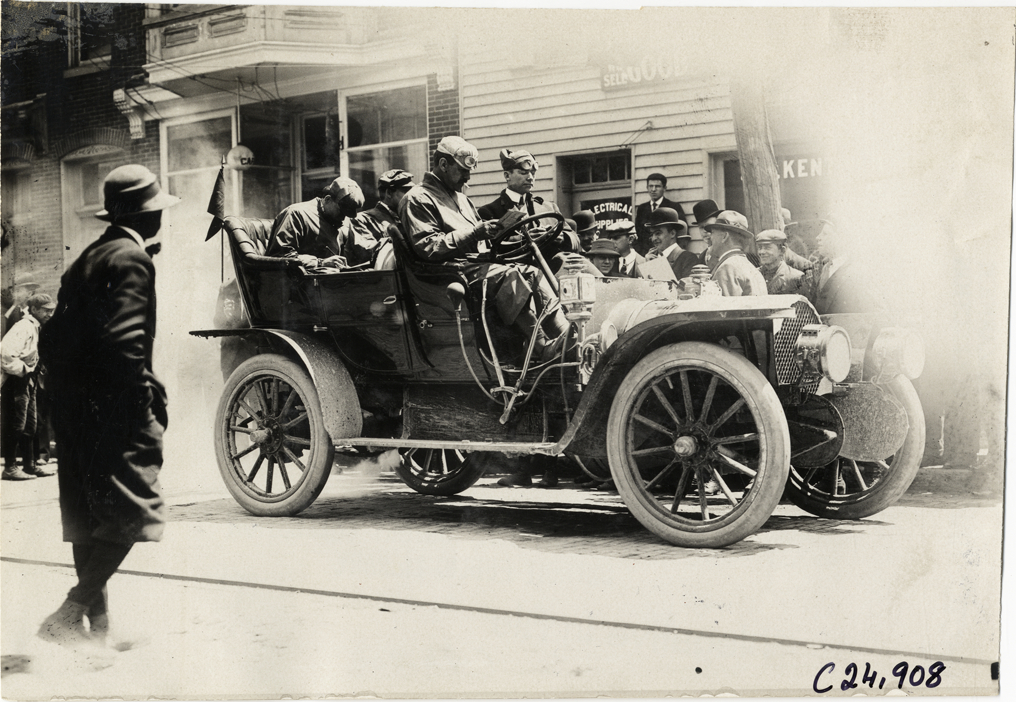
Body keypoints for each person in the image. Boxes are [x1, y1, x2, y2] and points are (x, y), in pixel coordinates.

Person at [37, 164, 179, 646]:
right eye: (156, 210)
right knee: (135, 511)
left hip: (74, 409)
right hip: (115, 408)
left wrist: (70, 398)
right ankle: (71, 610)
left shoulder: (89, 257)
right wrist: (145, 400)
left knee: (87, 518)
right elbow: (126, 343)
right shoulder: (132, 260)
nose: (161, 218)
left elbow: (53, 336)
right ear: (145, 216)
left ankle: (96, 633)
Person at [400, 136, 571, 364]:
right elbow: (428, 247)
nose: (468, 177)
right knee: (508, 275)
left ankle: (566, 335)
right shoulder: (417, 198)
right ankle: (540, 345)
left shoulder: (461, 199)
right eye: (462, 170)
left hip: (472, 267)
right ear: (443, 165)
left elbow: (481, 242)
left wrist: (505, 238)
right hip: (446, 273)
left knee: (530, 272)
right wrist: (476, 232)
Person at [1, 293, 57, 480]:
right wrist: (25, 370)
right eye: (46, 311)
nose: (50, 314)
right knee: (17, 424)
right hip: (16, 381)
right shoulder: (23, 326)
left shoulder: (36, 327)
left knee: (30, 425)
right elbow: (6, 355)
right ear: (33, 310)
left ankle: (29, 466)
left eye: (52, 311)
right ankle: (9, 468)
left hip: (28, 380)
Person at [267, 176, 375, 270]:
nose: (343, 217)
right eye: (341, 212)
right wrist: (320, 263)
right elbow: (280, 256)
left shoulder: (340, 221)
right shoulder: (297, 214)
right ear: (328, 199)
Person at [702, 210, 767, 296]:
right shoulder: (750, 267)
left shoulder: (728, 268)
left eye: (713, 233)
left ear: (724, 236)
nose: (711, 238)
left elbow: (723, 308)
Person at [632, 173, 687, 256]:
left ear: (664, 188)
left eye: (657, 186)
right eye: (650, 186)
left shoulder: (673, 207)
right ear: (647, 188)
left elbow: (682, 235)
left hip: (668, 255)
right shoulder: (642, 209)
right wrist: (644, 254)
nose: (653, 189)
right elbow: (638, 234)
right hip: (647, 255)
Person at [353, 169, 416, 242]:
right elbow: (370, 249)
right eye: (406, 191)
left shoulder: (410, 217)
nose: (411, 196)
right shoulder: (362, 220)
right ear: (389, 193)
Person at [646, 207, 701, 281]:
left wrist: (657, 268)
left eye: (658, 233)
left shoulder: (688, 258)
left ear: (672, 233)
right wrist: (648, 266)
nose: (653, 239)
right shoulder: (652, 258)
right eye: (652, 234)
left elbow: (687, 289)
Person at [756, 229, 804, 294]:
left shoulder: (796, 278)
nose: (761, 252)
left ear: (782, 250)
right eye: (760, 248)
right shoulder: (754, 275)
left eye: (767, 248)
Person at [1, 274, 40, 338]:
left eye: (18, 291)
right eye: (13, 291)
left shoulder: (37, 312)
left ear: (30, 294)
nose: (14, 294)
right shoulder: (12, 313)